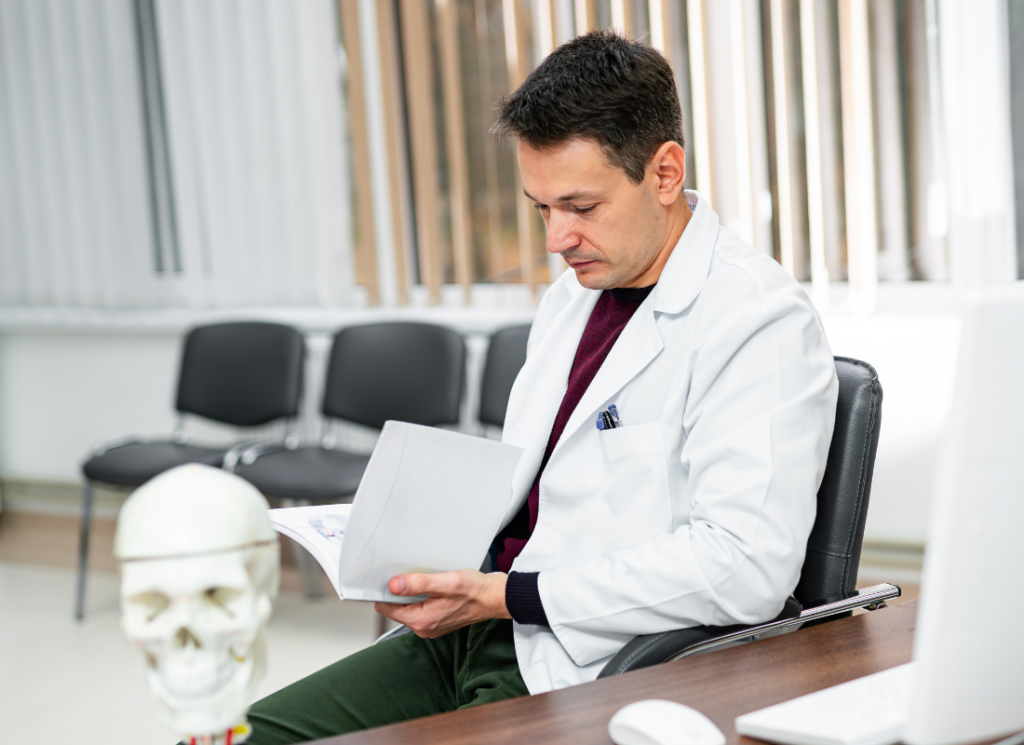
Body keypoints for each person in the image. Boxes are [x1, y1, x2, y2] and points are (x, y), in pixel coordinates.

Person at [244, 30, 837, 743]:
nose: (557, 238)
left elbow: (745, 565)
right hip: (477, 625)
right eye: (541, 209)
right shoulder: (573, 298)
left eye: (580, 207)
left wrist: (510, 594)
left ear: (665, 172)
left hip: (577, 656)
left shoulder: (755, 318)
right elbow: (541, 484)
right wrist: (426, 551)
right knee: (254, 732)